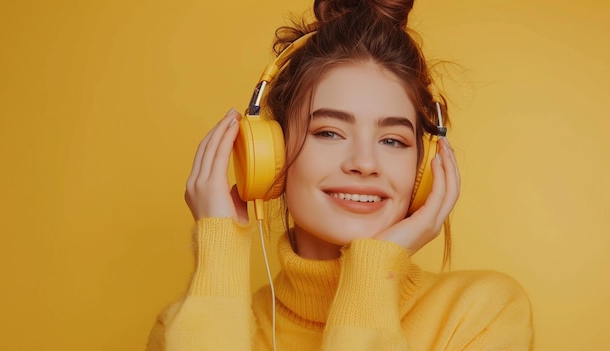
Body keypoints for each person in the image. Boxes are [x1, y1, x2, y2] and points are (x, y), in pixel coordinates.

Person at [146, 0, 534, 349]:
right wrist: (219, 255)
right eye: (329, 132)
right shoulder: (184, 330)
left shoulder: (482, 314)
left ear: (424, 166)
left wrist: (374, 272)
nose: (365, 163)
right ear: (273, 157)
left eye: (393, 140)